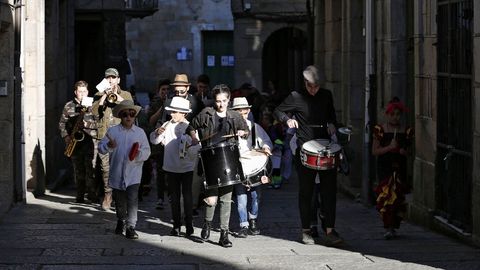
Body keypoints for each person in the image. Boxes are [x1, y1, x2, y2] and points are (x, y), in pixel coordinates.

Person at [273, 65, 342, 246]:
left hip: (325, 147)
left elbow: (332, 116)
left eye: (316, 86)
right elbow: (277, 110)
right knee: (306, 192)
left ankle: (330, 229)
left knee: (329, 191)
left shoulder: (326, 95)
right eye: (310, 86)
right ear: (305, 83)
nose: (313, 90)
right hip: (305, 147)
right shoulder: (296, 97)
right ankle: (306, 230)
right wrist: (287, 119)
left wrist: (332, 124)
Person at [187, 84, 249, 248]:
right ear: (214, 101)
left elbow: (246, 130)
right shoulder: (207, 113)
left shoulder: (235, 115)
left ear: (229, 100)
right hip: (210, 159)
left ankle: (224, 234)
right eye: (218, 101)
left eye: (224, 101)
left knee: (226, 199)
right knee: (211, 198)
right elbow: (191, 126)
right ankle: (207, 223)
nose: (221, 104)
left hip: (228, 159)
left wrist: (243, 133)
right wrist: (194, 137)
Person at [98, 100, 151, 239]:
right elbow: (101, 148)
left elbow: (147, 151)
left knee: (132, 200)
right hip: (117, 173)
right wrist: (109, 145)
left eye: (132, 114)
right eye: (125, 114)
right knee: (120, 202)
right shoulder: (113, 131)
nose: (129, 117)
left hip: (134, 174)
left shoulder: (140, 133)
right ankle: (121, 220)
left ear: (135, 117)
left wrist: (138, 154)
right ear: (120, 116)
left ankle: (131, 226)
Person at [149, 97, 201, 237]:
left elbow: (197, 147)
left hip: (186, 167)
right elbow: (155, 140)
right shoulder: (166, 125)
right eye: (172, 111)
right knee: (174, 197)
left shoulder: (190, 127)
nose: (172, 114)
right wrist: (156, 133)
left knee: (188, 196)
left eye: (175, 112)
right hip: (171, 167)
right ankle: (176, 225)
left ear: (184, 113)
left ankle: (189, 224)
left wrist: (189, 146)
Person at [92, 68, 133, 211]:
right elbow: (94, 113)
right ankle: (108, 196)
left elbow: (131, 110)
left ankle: (120, 197)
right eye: (108, 78)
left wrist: (117, 96)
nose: (111, 80)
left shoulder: (126, 94)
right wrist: (103, 97)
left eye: (113, 78)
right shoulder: (99, 94)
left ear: (118, 80)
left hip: (122, 136)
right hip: (105, 136)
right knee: (105, 169)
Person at [231, 97, 272, 238]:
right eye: (239, 112)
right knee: (241, 197)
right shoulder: (229, 128)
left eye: (245, 111)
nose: (243, 114)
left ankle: (253, 219)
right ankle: (243, 225)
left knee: (256, 196)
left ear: (248, 111)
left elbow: (266, 141)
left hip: (254, 167)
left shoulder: (255, 127)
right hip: (238, 166)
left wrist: (266, 147)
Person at [372, 97, 413, 240]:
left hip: (399, 167)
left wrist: (403, 152)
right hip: (385, 167)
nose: (395, 117)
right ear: (387, 114)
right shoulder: (380, 130)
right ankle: (388, 227)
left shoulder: (406, 131)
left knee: (398, 197)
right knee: (387, 196)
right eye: (392, 114)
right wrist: (389, 147)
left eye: (398, 114)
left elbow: (409, 152)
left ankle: (394, 226)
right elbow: (375, 151)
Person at [58, 80, 97, 203]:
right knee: (78, 169)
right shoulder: (69, 106)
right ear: (75, 92)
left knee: (91, 169)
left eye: (84, 91)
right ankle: (80, 194)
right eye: (80, 92)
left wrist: (87, 124)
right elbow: (62, 123)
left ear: (88, 92)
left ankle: (91, 193)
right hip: (75, 141)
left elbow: (100, 124)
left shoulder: (93, 106)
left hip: (90, 140)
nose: (82, 94)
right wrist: (66, 137)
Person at [147, 79, 170, 209]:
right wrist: (162, 107)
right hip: (158, 141)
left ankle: (171, 194)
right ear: (159, 91)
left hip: (171, 141)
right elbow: (151, 120)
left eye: (167, 90)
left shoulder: (174, 103)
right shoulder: (154, 103)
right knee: (160, 171)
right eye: (163, 90)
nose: (165, 92)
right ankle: (160, 197)